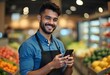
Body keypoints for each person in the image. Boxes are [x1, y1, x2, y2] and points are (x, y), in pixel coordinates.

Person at [18, 2, 74, 75]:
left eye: (55, 20)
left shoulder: (59, 44)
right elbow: (26, 74)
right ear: (39, 18)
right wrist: (52, 65)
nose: (51, 22)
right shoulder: (28, 46)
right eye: (47, 18)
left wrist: (69, 66)